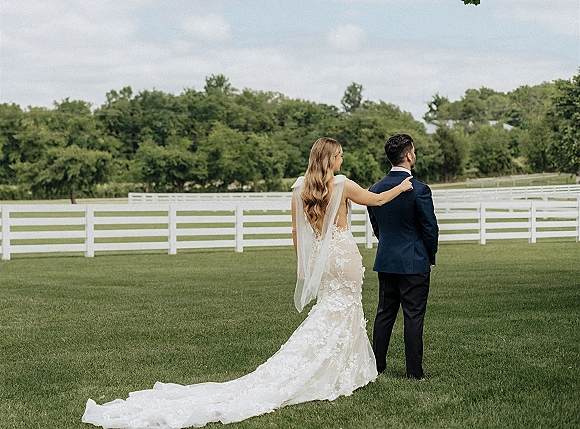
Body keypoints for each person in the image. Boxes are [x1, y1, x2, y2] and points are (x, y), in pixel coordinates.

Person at [82, 137, 412, 428]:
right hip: (344, 254)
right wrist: (403, 186)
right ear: (330, 159)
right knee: (346, 308)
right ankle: (344, 372)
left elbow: (297, 232)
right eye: (339, 155)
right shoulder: (342, 184)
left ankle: (342, 369)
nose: (342, 160)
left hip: (323, 262)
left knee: (331, 310)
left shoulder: (300, 188)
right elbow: (378, 200)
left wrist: (303, 268)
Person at [368, 134, 438, 381]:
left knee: (384, 313)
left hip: (386, 260)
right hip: (413, 262)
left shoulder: (374, 190)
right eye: (414, 151)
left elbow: (377, 227)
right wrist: (428, 255)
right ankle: (414, 372)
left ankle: (376, 365)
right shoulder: (419, 190)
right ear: (408, 155)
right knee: (413, 316)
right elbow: (429, 228)